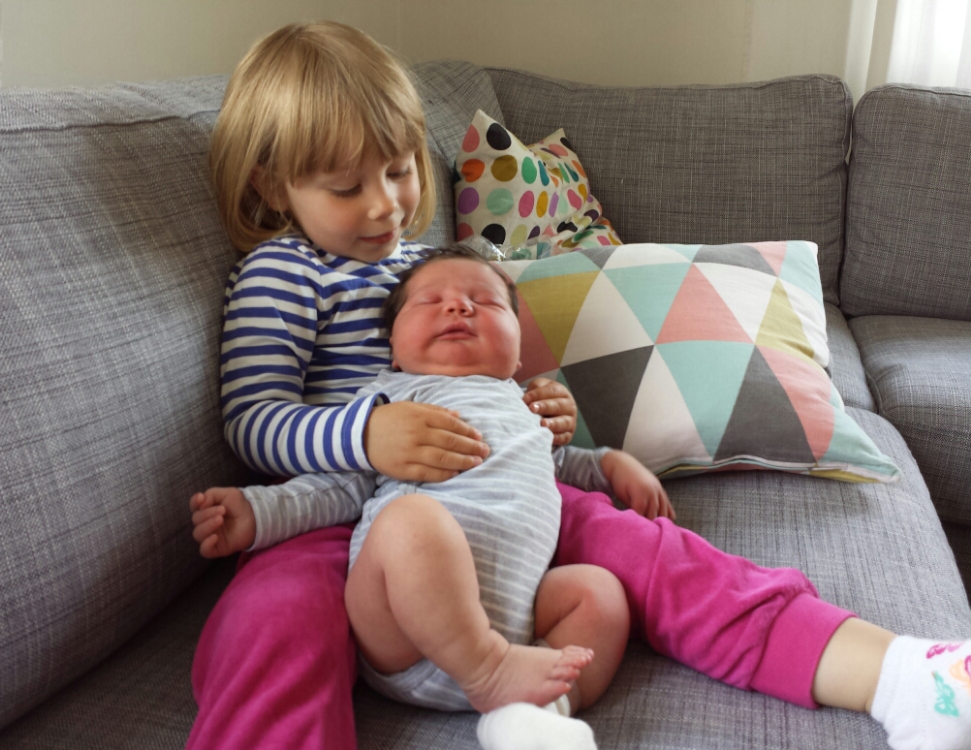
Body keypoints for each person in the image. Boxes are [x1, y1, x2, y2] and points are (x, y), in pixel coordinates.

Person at [186, 21, 971, 750]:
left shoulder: (432, 267)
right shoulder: (282, 272)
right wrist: (365, 435)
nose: (386, 204)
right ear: (274, 185)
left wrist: (547, 417)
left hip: (508, 492)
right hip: (334, 509)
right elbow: (251, 418)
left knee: (656, 556)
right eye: (346, 187)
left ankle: (896, 676)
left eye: (398, 171)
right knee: (269, 621)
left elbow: (503, 375)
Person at [195, 245, 662, 749]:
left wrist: (610, 464)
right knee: (410, 519)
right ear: (394, 351)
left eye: (486, 301)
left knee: (601, 594)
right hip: (402, 631)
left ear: (518, 354)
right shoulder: (390, 399)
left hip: (518, 617)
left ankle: (538, 718)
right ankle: (487, 670)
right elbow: (337, 483)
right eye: (429, 301)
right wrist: (259, 512)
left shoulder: (524, 405)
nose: (459, 306)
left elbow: (555, 464)